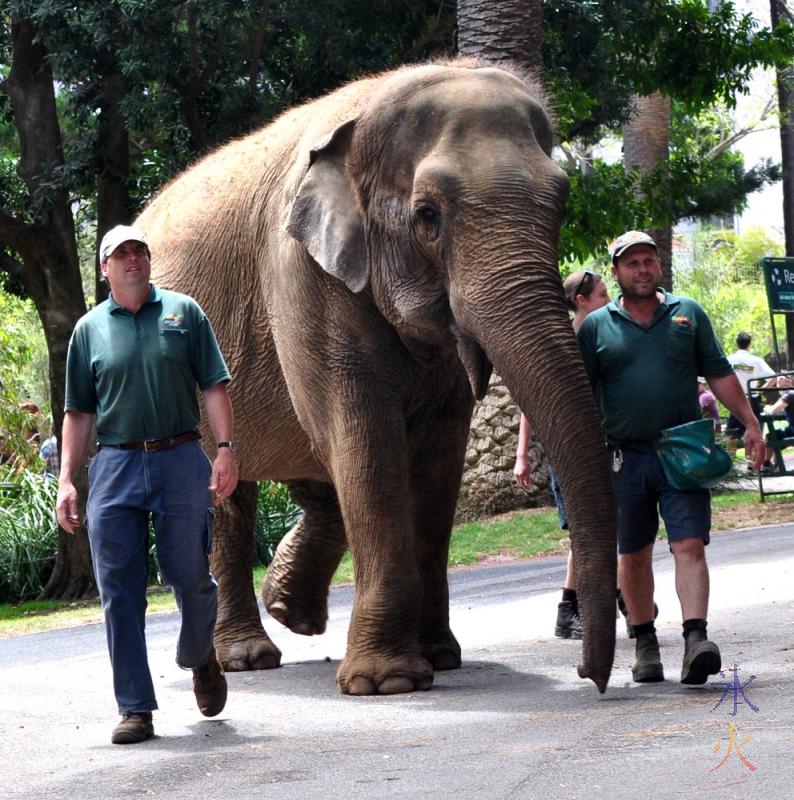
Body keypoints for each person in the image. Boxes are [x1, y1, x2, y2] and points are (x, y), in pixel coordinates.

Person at [56, 225, 239, 745]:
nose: (132, 260)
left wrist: (224, 451)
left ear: (149, 262)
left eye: (139, 252)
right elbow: (78, 413)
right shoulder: (88, 330)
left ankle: (201, 654)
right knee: (119, 590)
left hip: (181, 457)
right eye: (121, 254)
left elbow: (214, 386)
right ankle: (135, 707)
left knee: (190, 574)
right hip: (114, 465)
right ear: (104, 268)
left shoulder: (185, 313)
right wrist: (67, 480)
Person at [577, 230, 765, 686]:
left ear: (658, 267)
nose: (642, 270)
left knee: (689, 544)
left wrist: (751, 423)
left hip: (682, 451)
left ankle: (696, 640)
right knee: (634, 554)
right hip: (625, 458)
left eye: (649, 261)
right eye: (632, 263)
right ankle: (645, 644)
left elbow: (719, 373)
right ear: (617, 272)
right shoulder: (595, 327)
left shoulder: (688, 314)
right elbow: (579, 394)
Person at [514, 268, 610, 640]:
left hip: (603, 447)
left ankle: (618, 600)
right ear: (581, 301)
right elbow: (530, 403)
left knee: (601, 529)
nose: (608, 300)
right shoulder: (563, 343)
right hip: (569, 452)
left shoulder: (604, 336)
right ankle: (570, 609)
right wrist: (522, 454)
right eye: (602, 295)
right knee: (585, 532)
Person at [725, 332, 774, 440]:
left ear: (737, 344)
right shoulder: (756, 360)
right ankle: (754, 457)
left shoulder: (728, 360)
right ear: (749, 344)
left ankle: (731, 456)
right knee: (755, 433)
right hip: (753, 399)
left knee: (731, 436)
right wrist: (760, 390)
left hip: (736, 399)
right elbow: (773, 377)